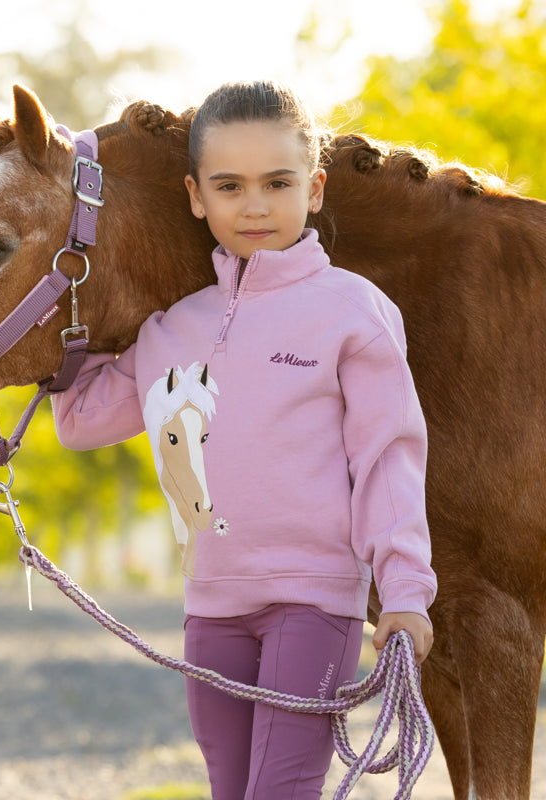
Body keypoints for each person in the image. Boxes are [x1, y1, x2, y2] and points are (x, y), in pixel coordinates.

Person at [52, 79, 436, 800]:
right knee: (231, 789)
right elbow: (80, 421)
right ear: (197, 196)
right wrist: (35, 342)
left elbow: (389, 454)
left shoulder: (353, 312)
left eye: (277, 183)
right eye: (230, 186)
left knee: (281, 790)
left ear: (314, 188)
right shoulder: (172, 328)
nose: (254, 205)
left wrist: (407, 592)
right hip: (212, 605)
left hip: (314, 600)